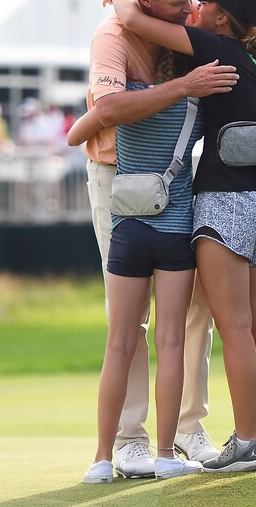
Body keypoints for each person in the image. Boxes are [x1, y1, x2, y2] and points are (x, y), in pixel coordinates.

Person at [109, 0, 256, 472]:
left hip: (224, 201)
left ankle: (244, 441)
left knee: (233, 327)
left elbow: (131, 20)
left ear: (219, 17)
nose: (194, 6)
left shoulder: (213, 45)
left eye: (203, 1)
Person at [78, 0, 237, 478]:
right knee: (132, 318)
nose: (190, 9)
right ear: (146, 1)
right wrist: (182, 88)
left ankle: (187, 428)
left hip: (175, 182)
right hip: (116, 179)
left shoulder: (175, 16)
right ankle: (129, 440)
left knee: (196, 310)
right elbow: (109, 110)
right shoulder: (113, 37)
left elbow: (228, 18)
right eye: (178, 2)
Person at [73, 45, 206, 483]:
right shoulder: (195, 106)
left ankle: (101, 459)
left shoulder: (124, 103)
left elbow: (76, 135)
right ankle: (167, 454)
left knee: (120, 344)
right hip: (174, 234)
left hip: (129, 232)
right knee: (171, 342)